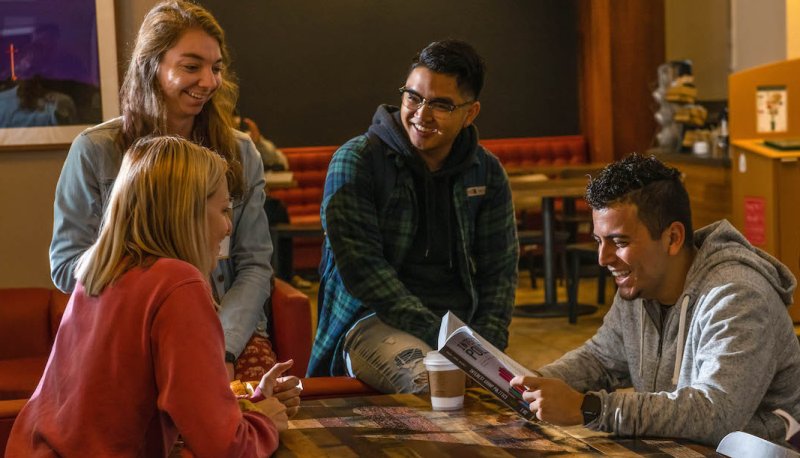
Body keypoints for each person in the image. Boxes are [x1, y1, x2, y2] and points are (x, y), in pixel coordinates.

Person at [7, 136, 300, 456]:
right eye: (223, 210)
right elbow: (227, 448)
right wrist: (265, 420)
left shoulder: (101, 271)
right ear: (187, 214)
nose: (228, 227)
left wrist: (251, 405)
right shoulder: (177, 285)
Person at [49, 0, 277, 382]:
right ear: (150, 66)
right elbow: (65, 266)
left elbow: (255, 265)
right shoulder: (95, 151)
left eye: (216, 68)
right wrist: (133, 260)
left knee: (256, 423)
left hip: (226, 328)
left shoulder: (240, 152)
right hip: (130, 329)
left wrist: (219, 345)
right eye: (191, 67)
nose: (209, 81)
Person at [510, 153, 800, 446]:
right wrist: (531, 382)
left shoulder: (738, 296)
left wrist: (588, 408)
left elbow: (715, 414)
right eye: (599, 241)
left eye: (620, 242)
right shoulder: (640, 287)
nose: (603, 258)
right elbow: (600, 360)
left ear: (672, 238)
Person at [308, 39, 518, 393]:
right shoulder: (357, 160)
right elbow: (364, 271)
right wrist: (445, 340)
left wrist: (485, 347)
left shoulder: (487, 171)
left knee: (514, 400)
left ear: (470, 113)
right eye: (413, 97)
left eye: (441, 104)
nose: (422, 114)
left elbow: (500, 271)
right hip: (370, 321)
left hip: (457, 328)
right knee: (432, 385)